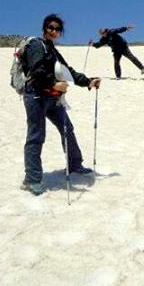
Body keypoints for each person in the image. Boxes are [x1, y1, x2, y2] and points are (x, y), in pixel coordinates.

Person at [20, 14, 101, 195]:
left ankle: (74, 164)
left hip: (53, 97)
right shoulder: (36, 46)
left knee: (67, 128)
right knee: (36, 135)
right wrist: (53, 84)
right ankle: (31, 180)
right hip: (36, 97)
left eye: (57, 29)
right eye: (51, 27)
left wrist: (88, 81)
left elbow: (68, 72)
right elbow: (36, 71)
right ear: (44, 29)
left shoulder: (53, 51)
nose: (54, 31)